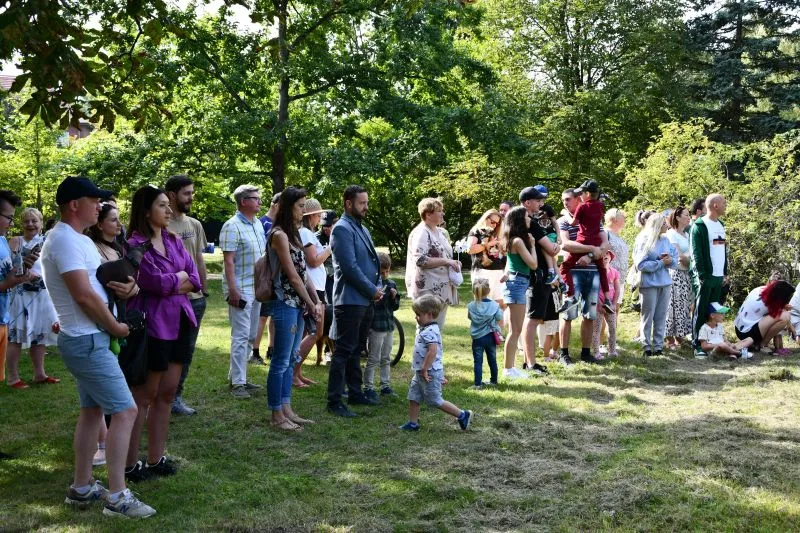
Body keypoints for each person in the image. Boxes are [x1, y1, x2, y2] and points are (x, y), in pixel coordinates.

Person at [41, 176, 155, 518]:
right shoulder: (63, 239)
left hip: (89, 338)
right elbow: (83, 295)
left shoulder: (78, 239)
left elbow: (101, 282)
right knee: (126, 411)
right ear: (74, 205)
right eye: (95, 201)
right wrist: (115, 326)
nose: (100, 206)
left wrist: (130, 288)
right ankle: (118, 497)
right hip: (87, 339)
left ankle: (82, 487)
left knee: (91, 412)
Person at [124, 185, 200, 481]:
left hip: (181, 320)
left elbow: (194, 278)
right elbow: (151, 282)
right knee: (144, 395)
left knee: (167, 392)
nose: (169, 211)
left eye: (169, 205)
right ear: (146, 211)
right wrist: (177, 279)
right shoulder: (135, 245)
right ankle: (130, 463)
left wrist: (174, 281)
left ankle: (156, 458)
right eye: (162, 205)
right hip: (154, 325)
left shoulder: (173, 240)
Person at [266, 187, 323, 431]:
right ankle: (276, 414)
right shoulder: (278, 235)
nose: (304, 210)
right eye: (300, 206)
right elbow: (292, 276)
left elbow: (304, 274)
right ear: (289, 207)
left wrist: (315, 301)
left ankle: (287, 408)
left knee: (290, 359)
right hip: (284, 303)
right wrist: (311, 303)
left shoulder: (295, 235)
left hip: (298, 304)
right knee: (280, 361)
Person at [327, 185, 383, 417]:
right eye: (362, 203)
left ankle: (355, 392)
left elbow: (371, 262)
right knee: (343, 351)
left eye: (367, 202)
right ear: (348, 204)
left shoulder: (361, 228)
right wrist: (372, 290)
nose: (366, 207)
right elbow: (349, 267)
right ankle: (334, 400)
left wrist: (378, 288)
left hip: (365, 299)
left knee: (356, 349)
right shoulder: (341, 228)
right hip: (349, 300)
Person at [165, 175, 209, 416]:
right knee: (165, 349)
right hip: (170, 298)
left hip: (195, 300)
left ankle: (175, 398)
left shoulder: (194, 225)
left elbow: (199, 258)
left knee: (186, 352)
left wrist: (203, 289)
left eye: (192, 193)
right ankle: (159, 397)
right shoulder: (161, 224)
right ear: (172, 195)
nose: (191, 198)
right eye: (186, 193)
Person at [86, 201, 125, 467]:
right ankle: (102, 445)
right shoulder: (93, 249)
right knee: (97, 395)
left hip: (116, 320)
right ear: (99, 224)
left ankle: (104, 441)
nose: (119, 224)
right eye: (113, 220)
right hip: (101, 324)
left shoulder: (118, 248)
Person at [399, 294, 473, 431]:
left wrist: (425, 369)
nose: (416, 317)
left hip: (429, 372)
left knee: (434, 400)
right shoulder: (428, 329)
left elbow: (432, 351)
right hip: (422, 372)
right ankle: (413, 423)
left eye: (418, 314)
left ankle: (462, 415)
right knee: (414, 396)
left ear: (429, 314)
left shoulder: (429, 331)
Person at [220, 184, 267, 399]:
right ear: (243, 202)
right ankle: (238, 384)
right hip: (240, 289)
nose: (259, 202)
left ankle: (239, 378)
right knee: (240, 336)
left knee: (251, 335)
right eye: (255, 198)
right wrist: (233, 290)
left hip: (256, 288)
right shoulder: (231, 226)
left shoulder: (257, 224)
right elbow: (228, 262)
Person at [5, 207, 60, 389]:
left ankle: (39, 374)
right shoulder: (15, 241)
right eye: (26, 221)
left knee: (40, 333)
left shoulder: (48, 242)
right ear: (22, 223)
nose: (30, 224)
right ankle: (13, 377)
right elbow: (8, 267)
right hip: (20, 294)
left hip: (42, 295)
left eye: (34, 220)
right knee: (15, 337)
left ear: (41, 223)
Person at [555, 188, 606, 365]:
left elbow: (605, 244)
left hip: (592, 272)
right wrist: (591, 248)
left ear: (579, 199)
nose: (565, 203)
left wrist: (590, 256)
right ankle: (564, 353)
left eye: (568, 199)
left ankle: (586, 353)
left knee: (590, 314)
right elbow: (566, 244)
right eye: (563, 200)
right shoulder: (563, 221)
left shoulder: (593, 217)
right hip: (572, 272)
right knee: (568, 314)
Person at [519, 187, 561, 370]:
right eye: (537, 200)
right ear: (527, 203)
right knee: (533, 319)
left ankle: (528, 361)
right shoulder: (531, 223)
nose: (540, 204)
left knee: (532, 318)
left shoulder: (518, 220)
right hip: (538, 275)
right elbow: (551, 248)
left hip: (533, 273)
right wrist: (556, 246)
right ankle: (531, 363)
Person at [558, 179, 614, 315]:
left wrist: (565, 213)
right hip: (596, 244)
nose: (580, 196)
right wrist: (593, 251)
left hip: (582, 242)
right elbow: (566, 244)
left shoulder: (582, 207)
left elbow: (573, 223)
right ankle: (607, 299)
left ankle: (570, 296)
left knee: (564, 267)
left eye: (581, 194)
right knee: (602, 270)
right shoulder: (600, 205)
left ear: (587, 194)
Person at [405, 198, 460, 328]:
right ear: (428, 214)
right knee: (427, 329)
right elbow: (420, 260)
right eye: (439, 211)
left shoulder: (439, 231)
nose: (443, 214)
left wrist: (453, 262)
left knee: (436, 329)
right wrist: (446, 261)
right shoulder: (421, 232)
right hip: (428, 291)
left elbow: (445, 255)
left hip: (442, 289)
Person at [500, 205, 541, 379]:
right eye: (526, 217)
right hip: (517, 283)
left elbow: (511, 263)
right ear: (519, 220)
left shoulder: (511, 239)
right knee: (515, 330)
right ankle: (508, 369)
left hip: (515, 282)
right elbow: (533, 264)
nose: (529, 219)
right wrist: (532, 245)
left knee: (514, 329)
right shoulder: (518, 241)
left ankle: (510, 367)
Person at [294, 198, 331, 387]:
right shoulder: (306, 233)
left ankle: (296, 372)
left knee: (305, 332)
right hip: (313, 288)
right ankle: (292, 371)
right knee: (315, 331)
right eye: (319, 215)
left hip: (316, 287)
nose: (320, 218)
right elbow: (313, 261)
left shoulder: (306, 233)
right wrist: (330, 248)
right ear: (312, 216)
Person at [633, 213, 678, 356]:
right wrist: (660, 263)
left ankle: (658, 347)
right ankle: (646, 346)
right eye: (664, 223)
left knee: (661, 316)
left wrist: (669, 260)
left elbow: (675, 260)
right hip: (649, 284)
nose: (667, 225)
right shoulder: (643, 240)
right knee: (648, 316)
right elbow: (640, 264)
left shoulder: (666, 240)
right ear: (657, 225)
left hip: (665, 283)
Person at [689, 194, 728, 358]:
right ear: (715, 205)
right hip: (705, 276)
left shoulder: (721, 224)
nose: (726, 205)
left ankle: (712, 341)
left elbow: (722, 250)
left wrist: (725, 272)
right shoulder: (699, 225)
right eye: (724, 202)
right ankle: (697, 344)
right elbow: (696, 253)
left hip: (718, 276)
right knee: (701, 310)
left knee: (713, 310)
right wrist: (702, 275)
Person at [364, 252, 400, 400]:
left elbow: (395, 307)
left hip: (389, 325)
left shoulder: (391, 284)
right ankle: (368, 387)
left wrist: (394, 297)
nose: (384, 275)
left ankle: (385, 385)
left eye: (387, 272)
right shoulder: (371, 284)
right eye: (382, 272)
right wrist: (379, 297)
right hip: (376, 326)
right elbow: (372, 305)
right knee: (373, 357)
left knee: (386, 357)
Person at [253, 192, 281, 365]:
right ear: (275, 205)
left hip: (276, 275)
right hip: (265, 275)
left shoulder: (279, 224)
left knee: (274, 315)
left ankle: (271, 348)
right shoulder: (262, 223)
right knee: (262, 315)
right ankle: (254, 350)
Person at [733, 280, 795, 354]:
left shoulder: (760, 289)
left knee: (783, 315)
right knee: (784, 317)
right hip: (747, 333)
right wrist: (791, 328)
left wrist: (782, 306)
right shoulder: (767, 303)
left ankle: (757, 343)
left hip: (739, 329)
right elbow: (782, 315)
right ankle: (763, 345)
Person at [664, 206, 693, 350]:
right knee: (672, 306)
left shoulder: (687, 234)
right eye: (686, 215)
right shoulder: (671, 234)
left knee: (684, 306)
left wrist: (691, 261)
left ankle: (680, 336)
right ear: (677, 217)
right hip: (675, 274)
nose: (689, 218)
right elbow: (679, 257)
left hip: (687, 274)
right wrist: (693, 262)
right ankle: (669, 339)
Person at [468, 278, 502, 388]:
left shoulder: (471, 306)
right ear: (488, 291)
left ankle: (477, 384)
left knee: (478, 362)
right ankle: (494, 381)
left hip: (477, 338)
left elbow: (470, 317)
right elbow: (499, 317)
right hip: (491, 336)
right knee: (492, 359)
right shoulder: (494, 305)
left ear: (474, 291)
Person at [467, 209, 505, 306]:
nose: (494, 225)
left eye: (497, 224)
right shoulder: (476, 231)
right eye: (492, 222)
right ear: (485, 219)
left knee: (501, 304)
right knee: (481, 304)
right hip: (482, 271)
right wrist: (488, 244)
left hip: (498, 271)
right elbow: (470, 249)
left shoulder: (496, 233)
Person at [591, 251, 620, 358]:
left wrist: (614, 304)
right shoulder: (595, 272)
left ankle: (612, 351)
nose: (605, 256)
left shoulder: (614, 272)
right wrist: (598, 304)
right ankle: (596, 352)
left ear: (611, 258)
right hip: (598, 306)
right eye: (603, 254)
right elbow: (593, 290)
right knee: (596, 329)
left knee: (612, 328)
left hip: (610, 306)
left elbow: (617, 289)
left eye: (607, 254)